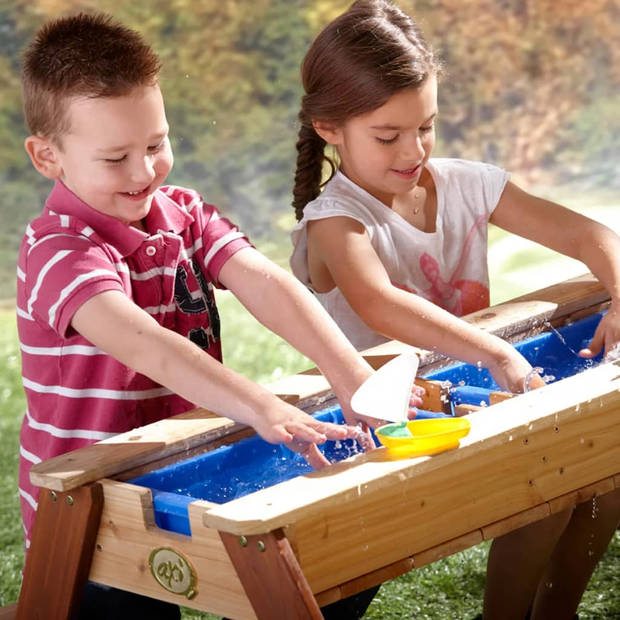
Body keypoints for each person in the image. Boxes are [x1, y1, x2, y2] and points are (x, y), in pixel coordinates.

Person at [17, 12, 403, 618]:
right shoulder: (57, 249)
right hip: (91, 505)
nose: (144, 172)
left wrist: (351, 374)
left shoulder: (185, 212)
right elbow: (145, 344)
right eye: (116, 158)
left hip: (184, 464)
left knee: (340, 561)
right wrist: (262, 408)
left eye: (155, 144)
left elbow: (265, 282)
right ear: (47, 156)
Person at [289, 1, 620, 618]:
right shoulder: (335, 220)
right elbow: (380, 305)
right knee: (549, 482)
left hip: (467, 387)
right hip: (384, 418)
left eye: (426, 127)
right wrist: (497, 351)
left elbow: (591, 236)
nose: (413, 150)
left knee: (604, 475)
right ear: (330, 128)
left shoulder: (469, 185)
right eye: (388, 136)